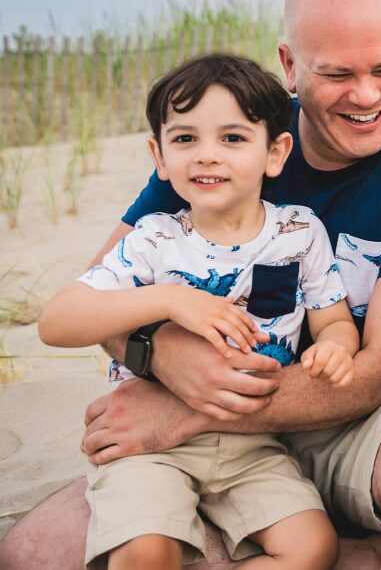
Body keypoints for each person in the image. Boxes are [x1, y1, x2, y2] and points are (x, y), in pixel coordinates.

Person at [0, 0, 381, 570]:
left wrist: (191, 407)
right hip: (194, 446)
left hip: (342, 427)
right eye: (336, 74)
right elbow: (95, 307)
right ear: (290, 65)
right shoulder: (226, 141)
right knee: (31, 551)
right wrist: (157, 353)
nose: (367, 95)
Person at [39, 53, 359, 570]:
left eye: (232, 138)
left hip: (254, 443)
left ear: (275, 153)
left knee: (312, 547)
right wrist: (169, 299)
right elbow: (57, 322)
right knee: (146, 553)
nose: (207, 155)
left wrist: (337, 348)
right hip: (146, 441)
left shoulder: (300, 233)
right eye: (185, 139)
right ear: (159, 156)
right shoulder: (154, 240)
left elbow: (334, 319)